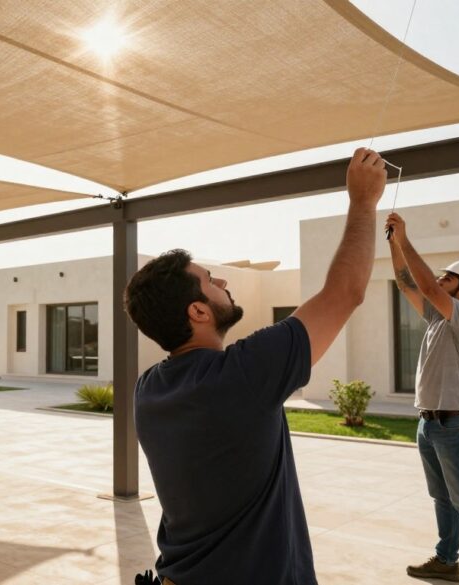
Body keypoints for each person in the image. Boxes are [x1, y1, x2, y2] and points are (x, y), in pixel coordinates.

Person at [125, 147, 387, 584]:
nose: (224, 282)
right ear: (198, 312)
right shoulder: (242, 376)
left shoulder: (149, 388)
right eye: (211, 281)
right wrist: (363, 202)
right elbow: (345, 293)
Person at [387, 212, 459, 585]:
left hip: (456, 422)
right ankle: (446, 561)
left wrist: (406, 238)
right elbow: (405, 283)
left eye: (446, 278)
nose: (436, 281)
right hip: (428, 422)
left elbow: (427, 288)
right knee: (443, 499)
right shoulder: (436, 317)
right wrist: (393, 244)